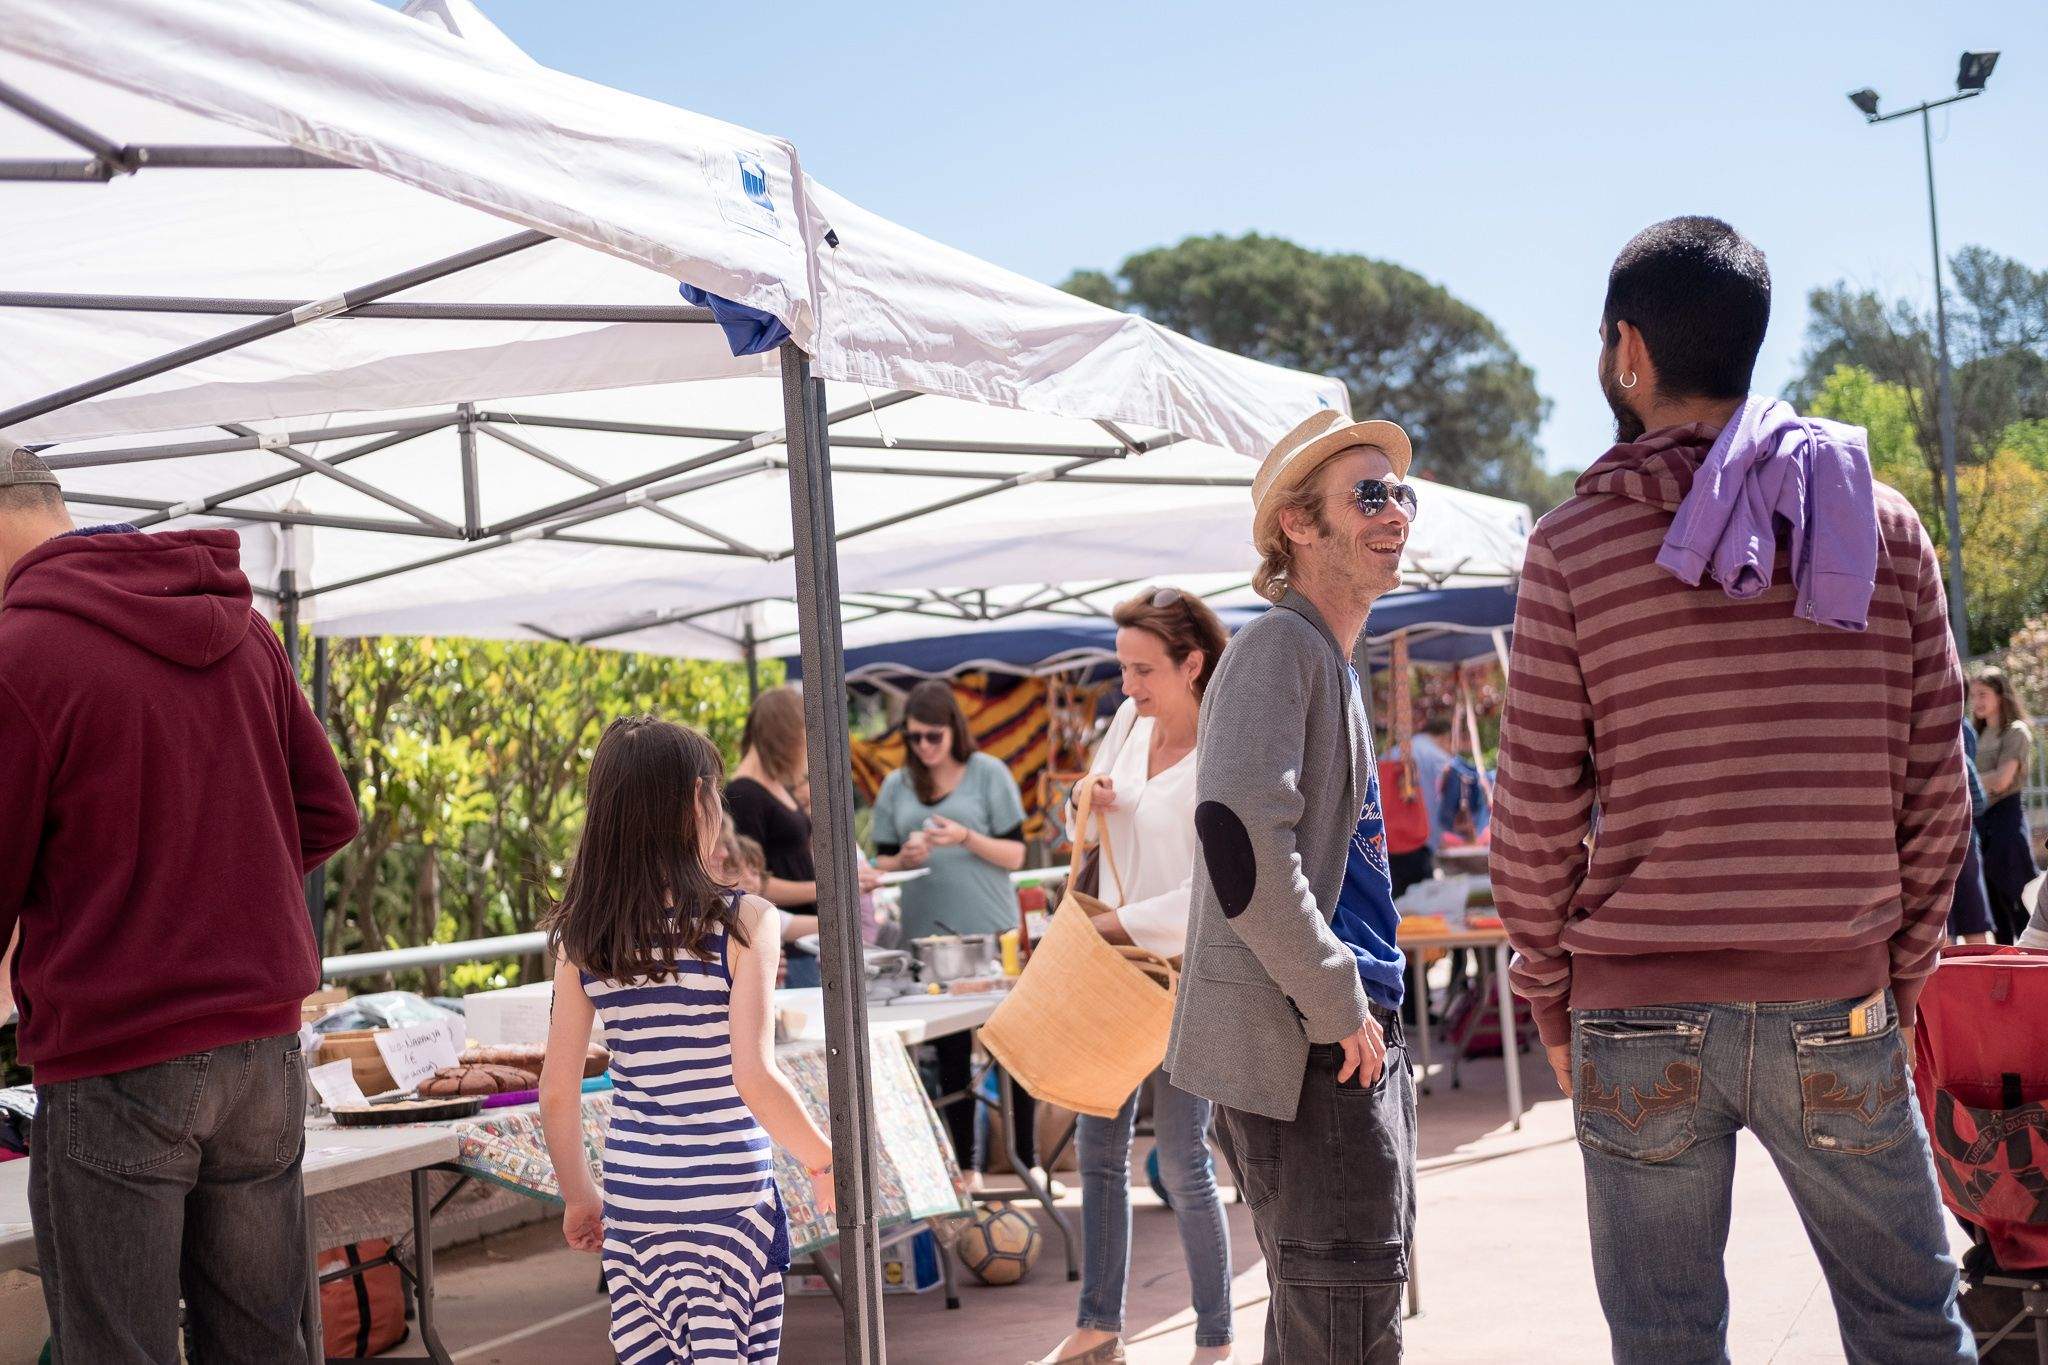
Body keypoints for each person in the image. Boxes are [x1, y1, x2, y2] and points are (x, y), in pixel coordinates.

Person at [1491, 217, 1975, 1363]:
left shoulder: (1571, 548)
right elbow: (1935, 790)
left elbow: (1533, 816)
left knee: (1663, 1340)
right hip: (1834, 993)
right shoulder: (1881, 527)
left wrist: (1550, 996)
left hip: (1632, 1009)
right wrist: (1894, 974)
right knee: (1910, 1326)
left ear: (1626, 350)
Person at [0, 443, 360, 1361]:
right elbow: (328, 811)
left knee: (120, 1348)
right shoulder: (246, 630)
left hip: (117, 1056)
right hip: (262, 1051)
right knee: (261, 1344)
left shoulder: (20, 654)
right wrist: (220, 888)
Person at [1166, 407, 1420, 1363]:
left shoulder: (1325, 658)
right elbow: (1237, 843)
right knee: (1343, 1329)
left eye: (1402, 493)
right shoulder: (1280, 646)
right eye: (1369, 494)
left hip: (1336, 1040)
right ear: (1298, 525)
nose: (1396, 511)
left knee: (1343, 1320)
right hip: (1315, 1045)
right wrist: (1336, 998)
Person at [539, 715, 835, 1365]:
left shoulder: (583, 936)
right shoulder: (745, 921)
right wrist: (822, 1159)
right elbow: (753, 1075)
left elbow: (557, 1091)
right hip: (730, 1194)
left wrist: (580, 1196)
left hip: (636, 1198)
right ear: (698, 802)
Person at [1036, 586, 1235, 1365]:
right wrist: (1083, 798)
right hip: (1112, 967)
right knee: (1097, 1156)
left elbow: (1213, 891)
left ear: (1193, 664)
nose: (1128, 684)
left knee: (1183, 1161)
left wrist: (1111, 924)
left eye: (1143, 669)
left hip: (1184, 972)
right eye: (1122, 667)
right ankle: (1099, 1327)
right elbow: (1085, 831)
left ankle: (1214, 1337)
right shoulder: (1126, 723)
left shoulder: (1223, 752)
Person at [870, 680, 1028, 1175]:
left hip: (992, 933)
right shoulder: (896, 785)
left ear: (954, 730)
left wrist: (965, 837)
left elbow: (1016, 854)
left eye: (933, 736)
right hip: (928, 940)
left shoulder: (988, 773)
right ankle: (967, 1169)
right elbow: (879, 863)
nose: (924, 746)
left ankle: (1027, 1163)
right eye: (914, 737)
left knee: (1012, 1049)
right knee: (950, 1057)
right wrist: (904, 858)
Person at [726, 686, 879, 988]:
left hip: (807, 942)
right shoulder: (744, 795)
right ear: (785, 736)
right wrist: (829, 888)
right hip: (787, 948)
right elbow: (749, 883)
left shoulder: (773, 786)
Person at [1972, 669, 2038, 945]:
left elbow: (2002, 780)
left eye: (1983, 694)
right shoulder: (1977, 733)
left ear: (2000, 695)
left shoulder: (2016, 731)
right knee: (1994, 908)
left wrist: (1967, 779)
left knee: (2020, 901)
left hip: (2006, 822)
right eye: (1973, 695)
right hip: (1980, 821)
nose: (1976, 701)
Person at [1384, 714, 1454, 895]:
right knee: (1421, 902)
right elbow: (1448, 803)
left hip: (1387, 841)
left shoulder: (1390, 754)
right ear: (1444, 736)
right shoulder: (1440, 758)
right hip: (1420, 841)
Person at [1950, 719, 1996, 943]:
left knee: (1940, 924)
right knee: (1974, 919)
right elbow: (1978, 804)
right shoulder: (1965, 763)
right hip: (1965, 841)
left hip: (1932, 846)